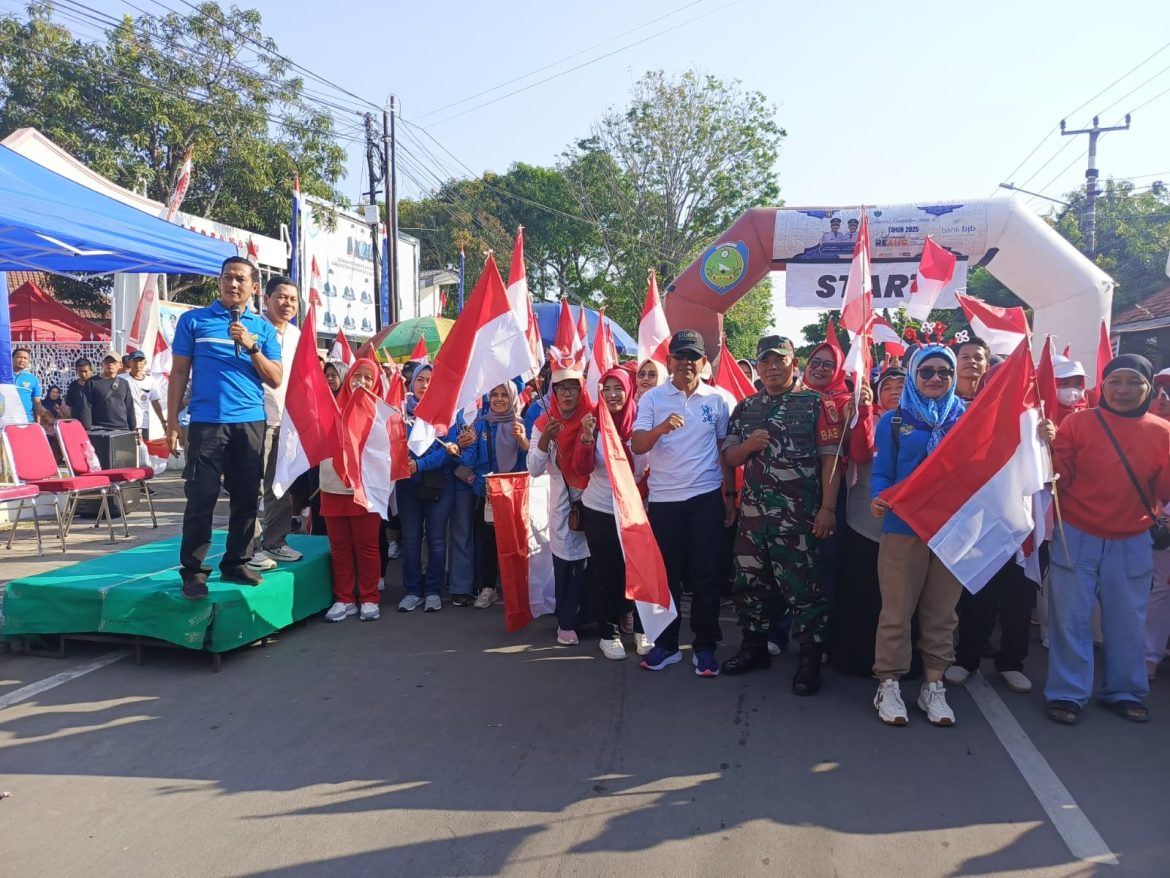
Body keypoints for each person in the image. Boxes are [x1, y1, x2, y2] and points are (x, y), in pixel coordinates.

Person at [1045, 354, 1170, 725]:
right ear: (1103, 386)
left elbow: (1164, 491)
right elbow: (1059, 478)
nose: (1123, 390)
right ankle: (1067, 692)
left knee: (1128, 621)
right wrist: (1047, 448)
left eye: (1134, 382)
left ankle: (1125, 691)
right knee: (1071, 620)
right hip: (1076, 534)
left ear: (1149, 389)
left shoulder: (1163, 433)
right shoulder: (1077, 423)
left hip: (1132, 539)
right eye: (1115, 381)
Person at [719, 336, 839, 694]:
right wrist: (747, 446)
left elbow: (831, 461)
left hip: (798, 518)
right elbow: (729, 458)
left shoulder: (816, 404)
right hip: (753, 518)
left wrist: (828, 509)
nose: (772, 367)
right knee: (747, 585)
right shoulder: (746, 407)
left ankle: (809, 659)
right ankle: (754, 647)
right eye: (765, 361)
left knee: (804, 590)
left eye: (779, 360)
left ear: (794, 363)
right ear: (757, 366)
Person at [166, 256, 283, 599]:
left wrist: (251, 346)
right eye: (227, 277)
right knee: (201, 497)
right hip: (206, 423)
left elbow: (275, 378)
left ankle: (236, 562)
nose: (233, 284)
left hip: (249, 422)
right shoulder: (193, 321)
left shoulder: (262, 329)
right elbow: (179, 373)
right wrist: (171, 422)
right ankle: (193, 572)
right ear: (219, 282)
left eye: (240, 279)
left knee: (247, 497)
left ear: (254, 287)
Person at [870, 345, 966, 726]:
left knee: (943, 613)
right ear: (913, 375)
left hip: (952, 530)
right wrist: (879, 497)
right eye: (927, 371)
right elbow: (883, 472)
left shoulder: (968, 419)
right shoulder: (895, 420)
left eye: (945, 371)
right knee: (896, 612)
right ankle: (889, 684)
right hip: (903, 527)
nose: (936, 378)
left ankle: (933, 686)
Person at [632, 330, 733, 676]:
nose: (686, 362)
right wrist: (660, 429)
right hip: (665, 500)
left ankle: (705, 647)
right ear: (669, 361)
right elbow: (637, 445)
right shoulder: (653, 399)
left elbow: (724, 451)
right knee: (667, 576)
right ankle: (666, 645)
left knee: (706, 576)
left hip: (706, 497)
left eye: (693, 356)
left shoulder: (718, 400)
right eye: (680, 356)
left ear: (703, 362)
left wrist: (729, 496)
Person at [830, 367, 912, 677]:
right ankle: (855, 658)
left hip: (907, 526)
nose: (894, 391)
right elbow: (862, 454)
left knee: (901, 599)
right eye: (887, 386)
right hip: (864, 523)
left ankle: (899, 663)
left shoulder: (925, 425)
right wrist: (864, 412)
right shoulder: (868, 419)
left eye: (901, 385)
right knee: (861, 593)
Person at [574, 366, 650, 659]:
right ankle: (609, 633)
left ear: (629, 390)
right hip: (600, 507)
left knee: (639, 569)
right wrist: (586, 437)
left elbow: (647, 469)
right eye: (606, 389)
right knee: (606, 572)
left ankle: (643, 629)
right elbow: (581, 468)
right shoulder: (593, 421)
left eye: (618, 388)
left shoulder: (642, 420)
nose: (613, 394)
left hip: (635, 509)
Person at [529, 353, 592, 644]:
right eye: (561, 388)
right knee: (567, 562)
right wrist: (545, 440)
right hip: (563, 502)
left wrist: (587, 437)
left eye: (573, 387)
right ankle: (566, 621)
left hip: (594, 499)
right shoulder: (543, 422)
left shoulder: (592, 417)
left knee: (595, 561)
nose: (567, 394)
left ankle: (597, 618)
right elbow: (534, 468)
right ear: (552, 391)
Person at [322, 359, 387, 623]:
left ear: (376, 382)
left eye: (368, 377)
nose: (362, 381)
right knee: (340, 547)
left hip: (367, 489)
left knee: (367, 547)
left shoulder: (383, 412)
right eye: (357, 375)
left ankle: (369, 597)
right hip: (333, 486)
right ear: (348, 378)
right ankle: (344, 599)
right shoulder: (330, 406)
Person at [456, 382, 530, 609]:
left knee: (516, 543)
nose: (498, 399)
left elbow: (531, 463)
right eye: (494, 394)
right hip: (486, 493)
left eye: (504, 395)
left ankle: (517, 589)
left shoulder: (520, 425)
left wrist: (524, 442)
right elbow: (470, 459)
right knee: (488, 543)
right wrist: (459, 448)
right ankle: (489, 588)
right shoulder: (481, 425)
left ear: (513, 398)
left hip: (513, 494)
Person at [249, 276, 305, 572]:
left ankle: (275, 541)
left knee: (281, 483)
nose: (287, 304)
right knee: (253, 486)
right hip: (256, 416)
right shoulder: (252, 329)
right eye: (282, 297)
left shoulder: (297, 335)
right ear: (266, 298)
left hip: (288, 420)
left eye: (293, 299)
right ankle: (251, 548)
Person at [397, 363, 458, 613]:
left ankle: (433, 590)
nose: (424, 385)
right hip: (407, 486)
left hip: (439, 484)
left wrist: (419, 464)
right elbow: (393, 443)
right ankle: (413, 591)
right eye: (420, 379)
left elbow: (447, 450)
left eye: (430, 380)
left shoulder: (447, 413)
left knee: (436, 540)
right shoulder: (401, 412)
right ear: (412, 383)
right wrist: (404, 461)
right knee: (411, 540)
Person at [119, 350, 166, 442]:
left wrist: (163, 421)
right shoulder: (122, 379)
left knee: (142, 448)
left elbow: (155, 402)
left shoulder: (150, 381)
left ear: (145, 362)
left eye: (140, 361)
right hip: (125, 423)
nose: (138, 364)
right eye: (134, 361)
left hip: (143, 424)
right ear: (129, 362)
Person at [88, 354, 138, 433]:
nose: (110, 364)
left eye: (114, 362)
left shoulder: (124, 383)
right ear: (101, 365)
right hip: (99, 428)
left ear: (120, 365)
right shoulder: (92, 382)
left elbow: (129, 407)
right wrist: (87, 428)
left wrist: (133, 428)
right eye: (107, 362)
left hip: (122, 428)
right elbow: (86, 407)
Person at [1052, 356, 1089, 426]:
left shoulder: (1088, 414)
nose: (1072, 390)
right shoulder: (1042, 414)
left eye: (1077, 384)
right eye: (1065, 384)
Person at [11, 347, 42, 423]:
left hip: (26, 420)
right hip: (5, 420)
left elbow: (37, 403)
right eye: (19, 357)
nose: (22, 360)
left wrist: (38, 423)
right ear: (12, 359)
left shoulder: (33, 379)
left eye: (25, 358)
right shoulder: (4, 376)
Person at [955, 336, 990, 402]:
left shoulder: (993, 396)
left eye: (978, 358)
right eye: (965, 357)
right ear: (954, 363)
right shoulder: (942, 395)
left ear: (987, 366)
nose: (972, 361)